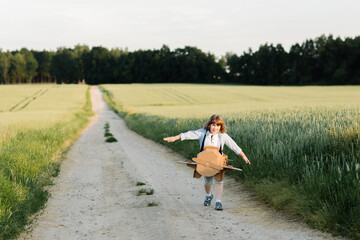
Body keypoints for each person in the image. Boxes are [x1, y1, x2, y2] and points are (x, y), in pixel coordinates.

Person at [163, 114, 250, 210]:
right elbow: (189, 134)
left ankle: (218, 202)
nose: (215, 128)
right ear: (209, 125)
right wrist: (175, 138)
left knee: (219, 181)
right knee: (207, 183)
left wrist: (244, 156)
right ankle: (208, 195)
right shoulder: (202, 133)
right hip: (204, 162)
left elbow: (234, 146)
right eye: (213, 125)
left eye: (217, 125)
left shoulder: (223, 136)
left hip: (218, 163)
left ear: (220, 126)